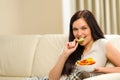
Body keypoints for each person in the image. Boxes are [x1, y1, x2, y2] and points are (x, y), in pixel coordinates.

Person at [49, 10, 120, 80]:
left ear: (92, 28)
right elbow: (52, 79)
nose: (79, 33)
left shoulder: (102, 44)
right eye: (75, 29)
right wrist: (64, 54)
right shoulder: (69, 47)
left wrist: (102, 70)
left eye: (84, 28)